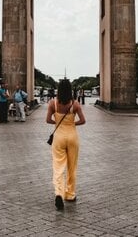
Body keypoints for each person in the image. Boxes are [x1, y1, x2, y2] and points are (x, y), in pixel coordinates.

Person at [46, 78, 86, 210]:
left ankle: (59, 193)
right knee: (72, 167)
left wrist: (58, 123)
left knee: (58, 166)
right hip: (72, 137)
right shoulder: (75, 104)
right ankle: (70, 194)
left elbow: (47, 120)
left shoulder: (53, 103)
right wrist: (71, 123)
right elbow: (83, 121)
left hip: (59, 138)